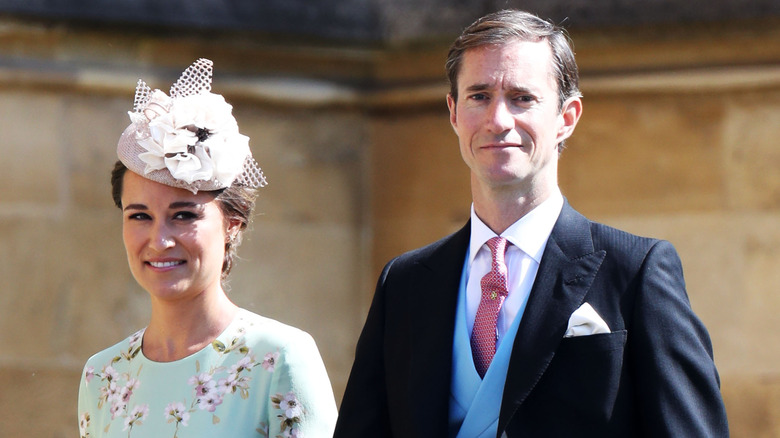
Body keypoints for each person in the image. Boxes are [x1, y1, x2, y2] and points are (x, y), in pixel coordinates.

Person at [334, 9, 728, 438]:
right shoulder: (405, 283)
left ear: (567, 117)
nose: (498, 120)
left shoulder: (636, 271)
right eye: (479, 96)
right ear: (453, 112)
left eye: (522, 98)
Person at [77, 59, 337, 437]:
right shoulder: (102, 375)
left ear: (232, 225)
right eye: (139, 216)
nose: (160, 240)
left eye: (183, 215)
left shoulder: (279, 357)